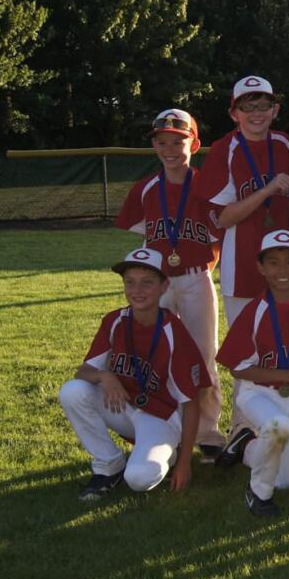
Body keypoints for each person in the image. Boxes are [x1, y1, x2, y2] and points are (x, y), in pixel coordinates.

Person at [115, 109, 227, 461]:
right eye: (161, 142)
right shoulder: (145, 189)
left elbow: (222, 230)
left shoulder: (208, 187)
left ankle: (207, 432)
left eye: (178, 141)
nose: (170, 148)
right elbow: (140, 233)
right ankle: (164, 428)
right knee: (155, 355)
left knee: (202, 355)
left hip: (195, 277)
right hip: (157, 283)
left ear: (194, 143)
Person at [59, 248, 207, 501]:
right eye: (130, 282)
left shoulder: (173, 332)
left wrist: (185, 463)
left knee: (138, 480)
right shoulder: (115, 320)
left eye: (147, 283)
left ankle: (168, 454)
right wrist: (105, 377)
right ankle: (109, 465)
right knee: (72, 391)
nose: (137, 290)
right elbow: (83, 371)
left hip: (160, 418)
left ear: (164, 286)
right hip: (124, 405)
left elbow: (192, 402)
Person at [214, 230, 289, 516]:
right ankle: (258, 493)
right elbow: (237, 367)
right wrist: (287, 375)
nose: (282, 270)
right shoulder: (256, 310)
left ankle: (247, 444)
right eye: (273, 262)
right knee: (278, 427)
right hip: (256, 392)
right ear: (260, 267)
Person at [197, 76, 289, 325]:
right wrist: (266, 190)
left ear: (274, 110)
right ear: (234, 114)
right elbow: (223, 218)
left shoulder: (283, 142)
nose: (257, 114)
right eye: (247, 107)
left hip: (287, 262)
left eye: (263, 106)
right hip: (243, 264)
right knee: (246, 348)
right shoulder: (225, 149)